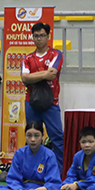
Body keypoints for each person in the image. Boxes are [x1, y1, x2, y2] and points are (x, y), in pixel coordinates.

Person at [0, 121, 61, 190]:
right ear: (25, 136)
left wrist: (45, 189)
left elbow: (54, 180)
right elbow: (13, 177)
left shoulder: (49, 155)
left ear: (42, 136)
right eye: (29, 135)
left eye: (36, 135)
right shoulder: (19, 153)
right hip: (22, 188)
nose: (33, 139)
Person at [21, 22, 64, 174]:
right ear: (32, 37)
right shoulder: (27, 58)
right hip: (31, 102)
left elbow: (52, 74)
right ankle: (33, 170)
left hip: (51, 103)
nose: (39, 39)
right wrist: (43, 75)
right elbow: (24, 78)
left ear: (48, 36)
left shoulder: (56, 54)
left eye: (42, 36)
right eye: (36, 36)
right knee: (33, 137)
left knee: (58, 138)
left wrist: (32, 77)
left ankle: (61, 171)